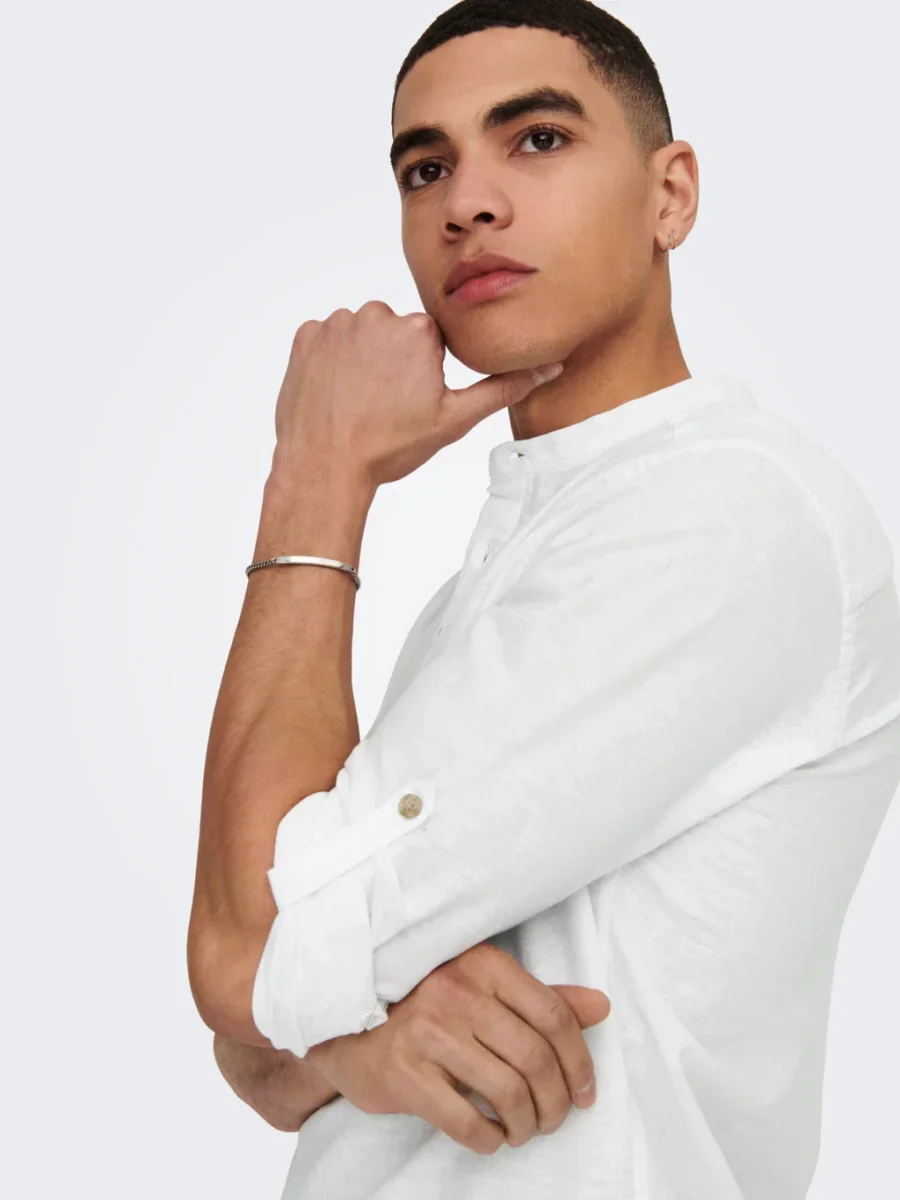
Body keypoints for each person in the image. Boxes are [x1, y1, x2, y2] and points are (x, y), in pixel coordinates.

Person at [187, 2, 900, 1196]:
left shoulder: (726, 515)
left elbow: (245, 956)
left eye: (538, 139)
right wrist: (352, 1038)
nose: (466, 202)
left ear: (671, 195)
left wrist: (315, 479)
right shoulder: (503, 576)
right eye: (426, 167)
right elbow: (249, 1030)